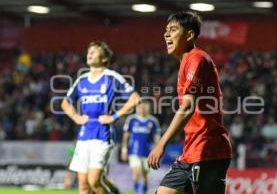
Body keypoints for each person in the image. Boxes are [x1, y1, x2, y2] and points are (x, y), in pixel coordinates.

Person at [147, 11, 233, 194]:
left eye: (173, 30)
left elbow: (187, 107)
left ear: (190, 35)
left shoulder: (197, 58)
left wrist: (161, 144)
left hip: (208, 150)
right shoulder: (186, 62)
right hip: (193, 150)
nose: (166, 34)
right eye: (166, 30)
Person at [61, 41, 140, 194]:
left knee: (94, 181)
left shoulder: (111, 77)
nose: (89, 53)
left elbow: (135, 99)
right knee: (83, 186)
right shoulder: (82, 79)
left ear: (104, 59)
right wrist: (77, 118)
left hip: (102, 134)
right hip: (84, 136)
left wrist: (114, 117)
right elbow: (65, 103)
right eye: (88, 51)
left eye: (94, 51)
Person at [121, 100, 161, 194]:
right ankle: (136, 191)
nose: (142, 109)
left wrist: (157, 150)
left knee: (145, 175)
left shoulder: (153, 121)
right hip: (133, 151)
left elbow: (156, 137)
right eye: (140, 107)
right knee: (136, 172)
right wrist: (124, 149)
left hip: (147, 152)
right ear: (137, 108)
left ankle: (143, 191)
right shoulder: (131, 119)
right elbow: (126, 135)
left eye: (144, 107)